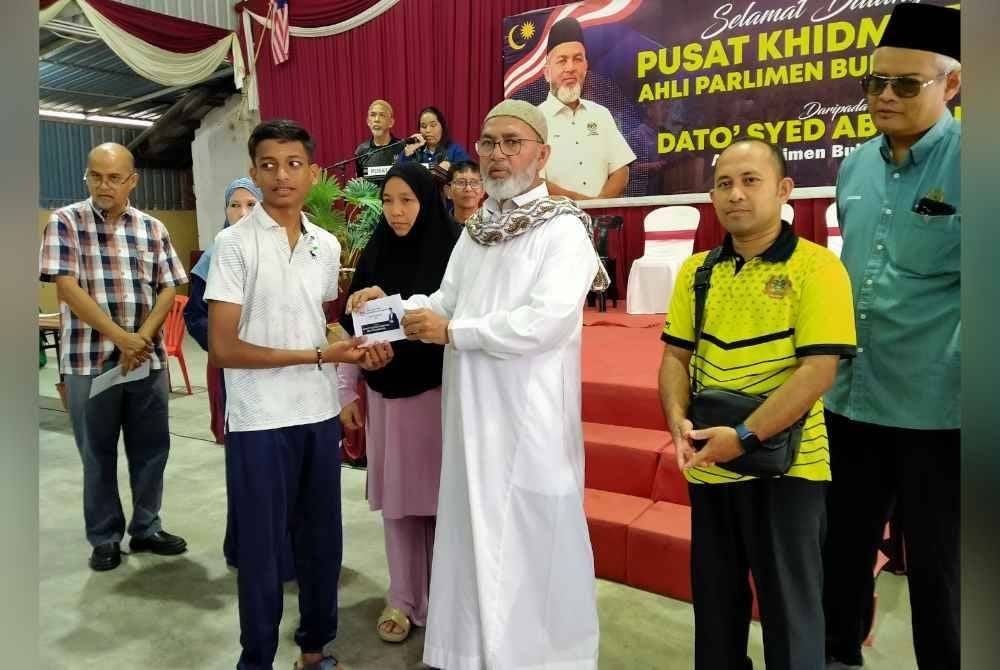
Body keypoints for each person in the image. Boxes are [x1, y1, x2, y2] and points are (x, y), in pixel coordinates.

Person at [348, 99, 608, 669]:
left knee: (531, 546)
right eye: (488, 142)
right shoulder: (478, 230)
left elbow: (546, 322)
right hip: (470, 422)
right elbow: (441, 303)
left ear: (543, 154)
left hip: (529, 423)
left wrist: (455, 332)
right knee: (470, 539)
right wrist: (380, 312)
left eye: (512, 142)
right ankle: (471, 655)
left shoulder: (564, 230)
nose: (497, 154)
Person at [658, 138, 857, 670]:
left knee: (791, 617)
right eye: (724, 183)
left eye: (750, 181)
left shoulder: (817, 269)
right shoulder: (697, 271)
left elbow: (819, 370)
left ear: (784, 190)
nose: (735, 195)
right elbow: (676, 357)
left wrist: (744, 436)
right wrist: (677, 422)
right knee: (717, 612)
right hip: (709, 465)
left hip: (787, 469)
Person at [205, 119, 393, 670]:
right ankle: (256, 659)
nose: (281, 176)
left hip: (315, 413)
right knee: (263, 552)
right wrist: (320, 356)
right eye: (268, 165)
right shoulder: (233, 244)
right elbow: (222, 348)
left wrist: (354, 346)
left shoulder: (326, 244)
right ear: (255, 171)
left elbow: (320, 323)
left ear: (313, 172)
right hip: (259, 418)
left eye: (293, 165)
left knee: (321, 542)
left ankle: (316, 649)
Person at [822, 5, 961, 669]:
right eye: (875, 82)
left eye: (906, 85)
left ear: (951, 86)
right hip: (852, 398)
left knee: (942, 572)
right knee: (841, 551)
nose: (884, 96)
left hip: (943, 409)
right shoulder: (855, 167)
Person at [38, 142, 189, 572]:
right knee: (97, 453)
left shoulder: (152, 229)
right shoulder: (64, 222)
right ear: (86, 177)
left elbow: (168, 288)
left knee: (151, 449)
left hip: (146, 360)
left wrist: (140, 338)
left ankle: (146, 527)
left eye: (114, 177)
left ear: (132, 180)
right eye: (95, 176)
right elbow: (66, 287)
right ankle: (105, 537)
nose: (103, 185)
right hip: (90, 361)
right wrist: (122, 338)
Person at [337, 163, 460, 644]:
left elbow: (461, 318)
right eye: (388, 200)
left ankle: (447, 598)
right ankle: (404, 598)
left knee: (442, 504)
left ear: (427, 200)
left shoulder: (454, 252)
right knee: (400, 507)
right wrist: (351, 383)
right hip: (387, 397)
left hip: (439, 395)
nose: (396, 211)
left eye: (407, 199)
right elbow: (352, 330)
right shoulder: (376, 252)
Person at [185, 177, 261, 445]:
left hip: (275, 363)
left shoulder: (280, 250)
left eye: (251, 204)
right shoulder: (213, 257)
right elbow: (194, 315)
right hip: (231, 363)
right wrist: (225, 343)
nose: (242, 213)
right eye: (234, 205)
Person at [538, 17, 636, 200]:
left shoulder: (601, 114)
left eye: (577, 59)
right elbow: (536, 183)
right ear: (547, 73)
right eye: (562, 61)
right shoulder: (534, 120)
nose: (570, 68)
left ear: (586, 66)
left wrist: (600, 208)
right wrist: (585, 208)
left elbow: (621, 170)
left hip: (604, 224)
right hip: (556, 223)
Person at [397, 106, 471, 175]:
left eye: (433, 125)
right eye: (423, 126)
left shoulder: (455, 150)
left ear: (442, 127)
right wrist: (406, 155)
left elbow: (468, 171)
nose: (428, 130)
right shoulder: (413, 150)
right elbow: (397, 174)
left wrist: (451, 166)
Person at [355, 99, 401, 185]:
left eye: (382, 115)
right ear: (368, 122)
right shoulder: (361, 151)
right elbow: (360, 186)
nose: (376, 119)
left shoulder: (402, 147)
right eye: (373, 115)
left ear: (391, 122)